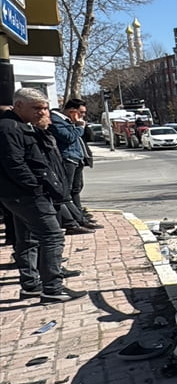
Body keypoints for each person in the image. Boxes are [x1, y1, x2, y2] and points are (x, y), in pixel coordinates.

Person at [0, 88, 88, 303]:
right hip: (26, 195)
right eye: (37, 108)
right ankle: (53, 289)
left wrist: (42, 129)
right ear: (18, 105)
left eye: (45, 108)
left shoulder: (23, 126)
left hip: (21, 194)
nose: (42, 112)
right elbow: (15, 164)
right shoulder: (9, 128)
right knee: (52, 236)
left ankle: (31, 285)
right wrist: (36, 188)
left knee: (28, 239)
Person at [50, 100, 103, 232]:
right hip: (67, 158)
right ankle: (75, 221)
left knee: (76, 189)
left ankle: (79, 216)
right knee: (65, 192)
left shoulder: (70, 122)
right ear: (71, 110)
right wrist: (79, 127)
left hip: (77, 158)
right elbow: (68, 137)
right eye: (81, 112)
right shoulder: (56, 120)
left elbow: (86, 137)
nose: (83, 116)